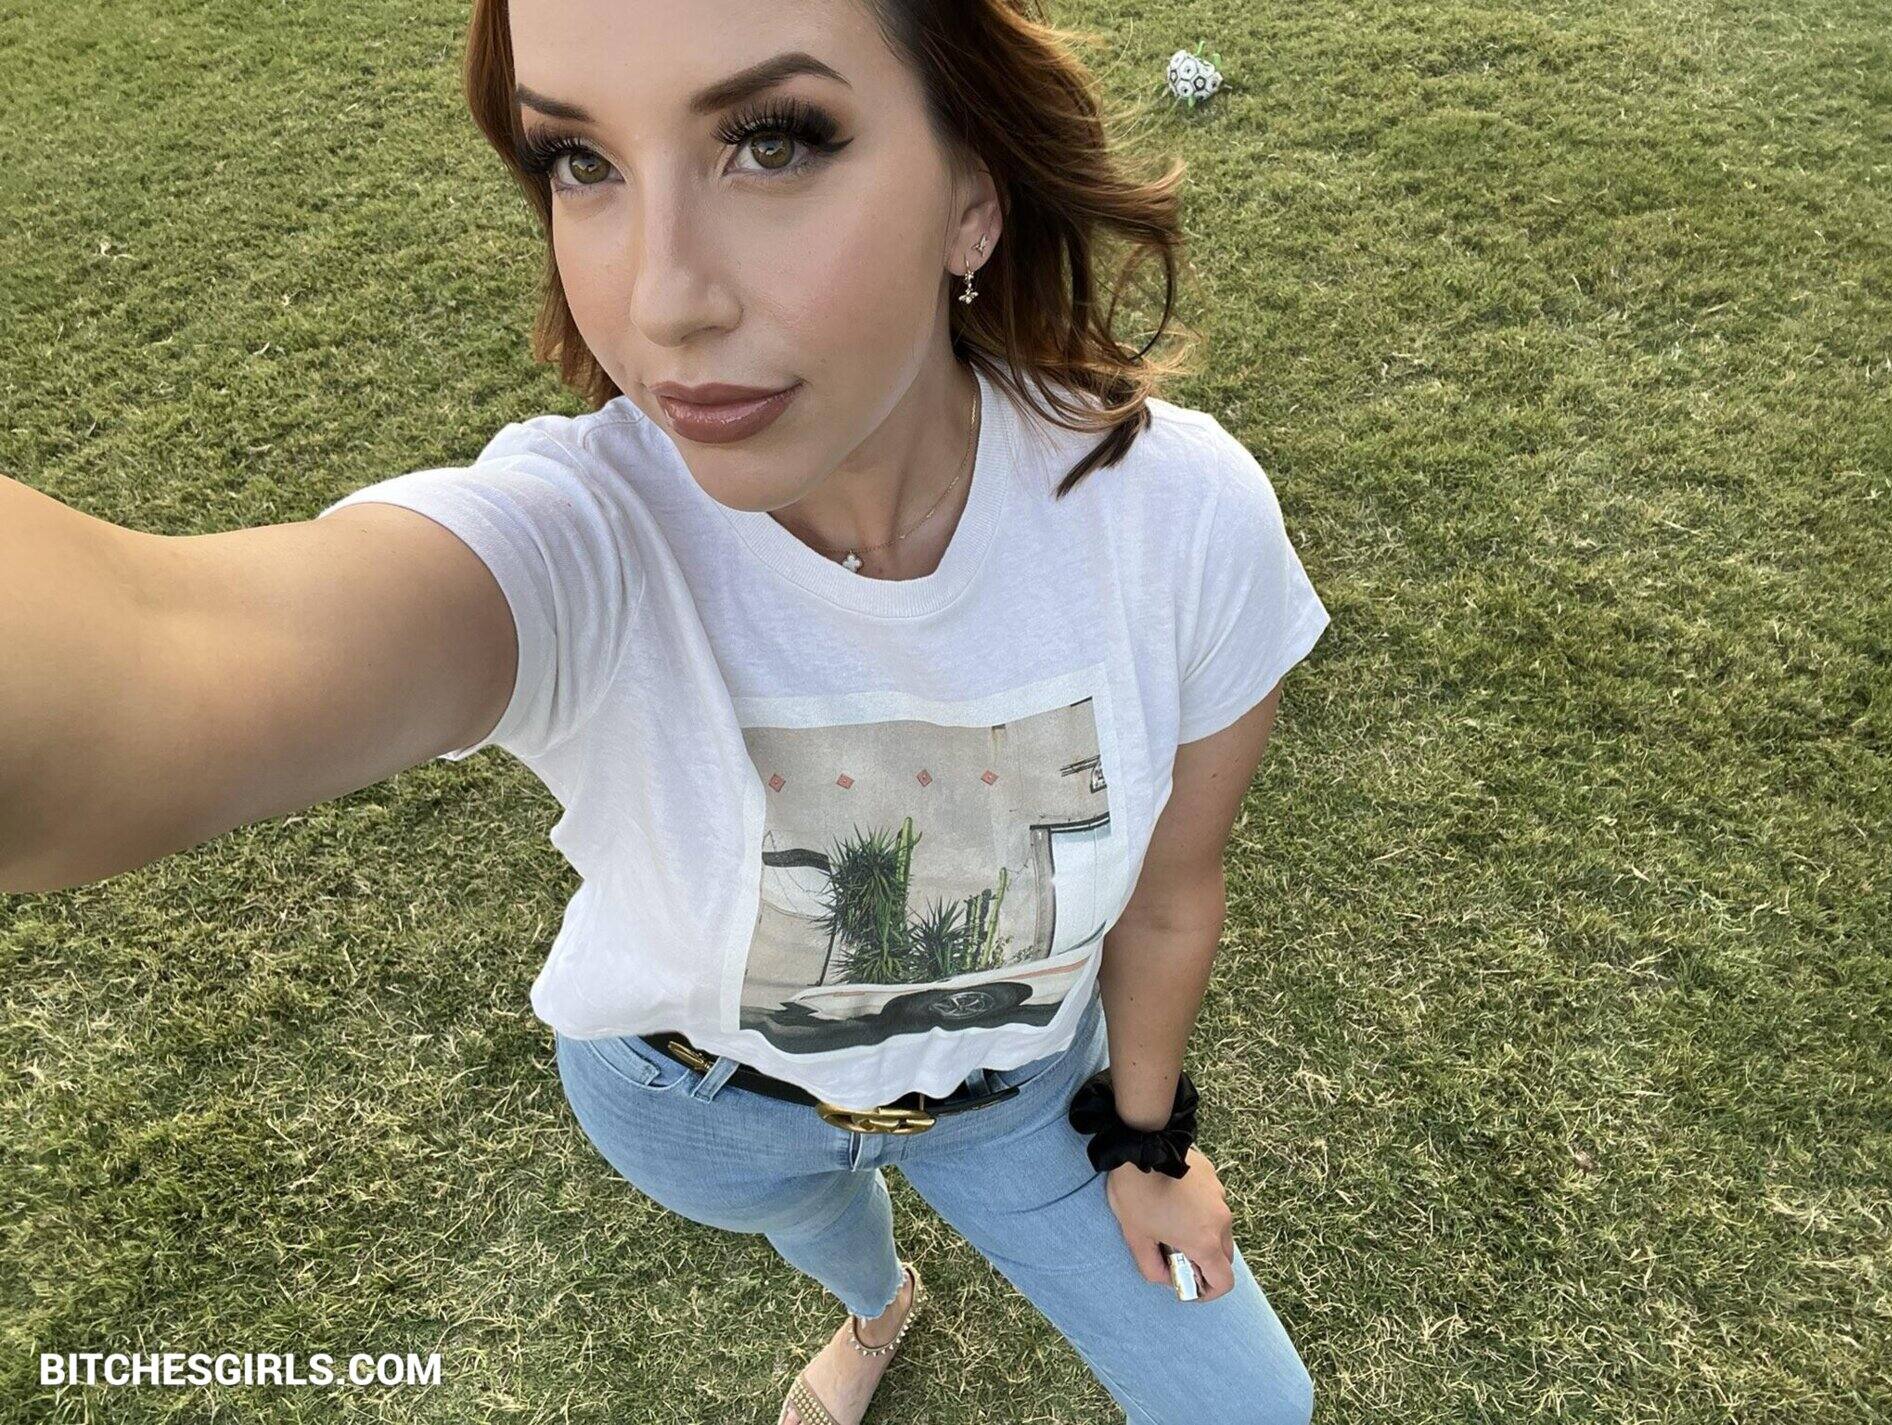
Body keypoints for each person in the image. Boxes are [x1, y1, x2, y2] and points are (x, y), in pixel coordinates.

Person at [0, 2, 1331, 1421]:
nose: (660, 300)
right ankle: (876, 1302)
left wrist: (1147, 1141)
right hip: (692, 1108)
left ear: (973, 193)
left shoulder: (1177, 519)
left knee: (1253, 1409)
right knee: (820, 1228)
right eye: (581, 161)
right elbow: (143, 674)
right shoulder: (581, 541)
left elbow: (1170, 892)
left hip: (1022, 1104)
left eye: (774, 140)